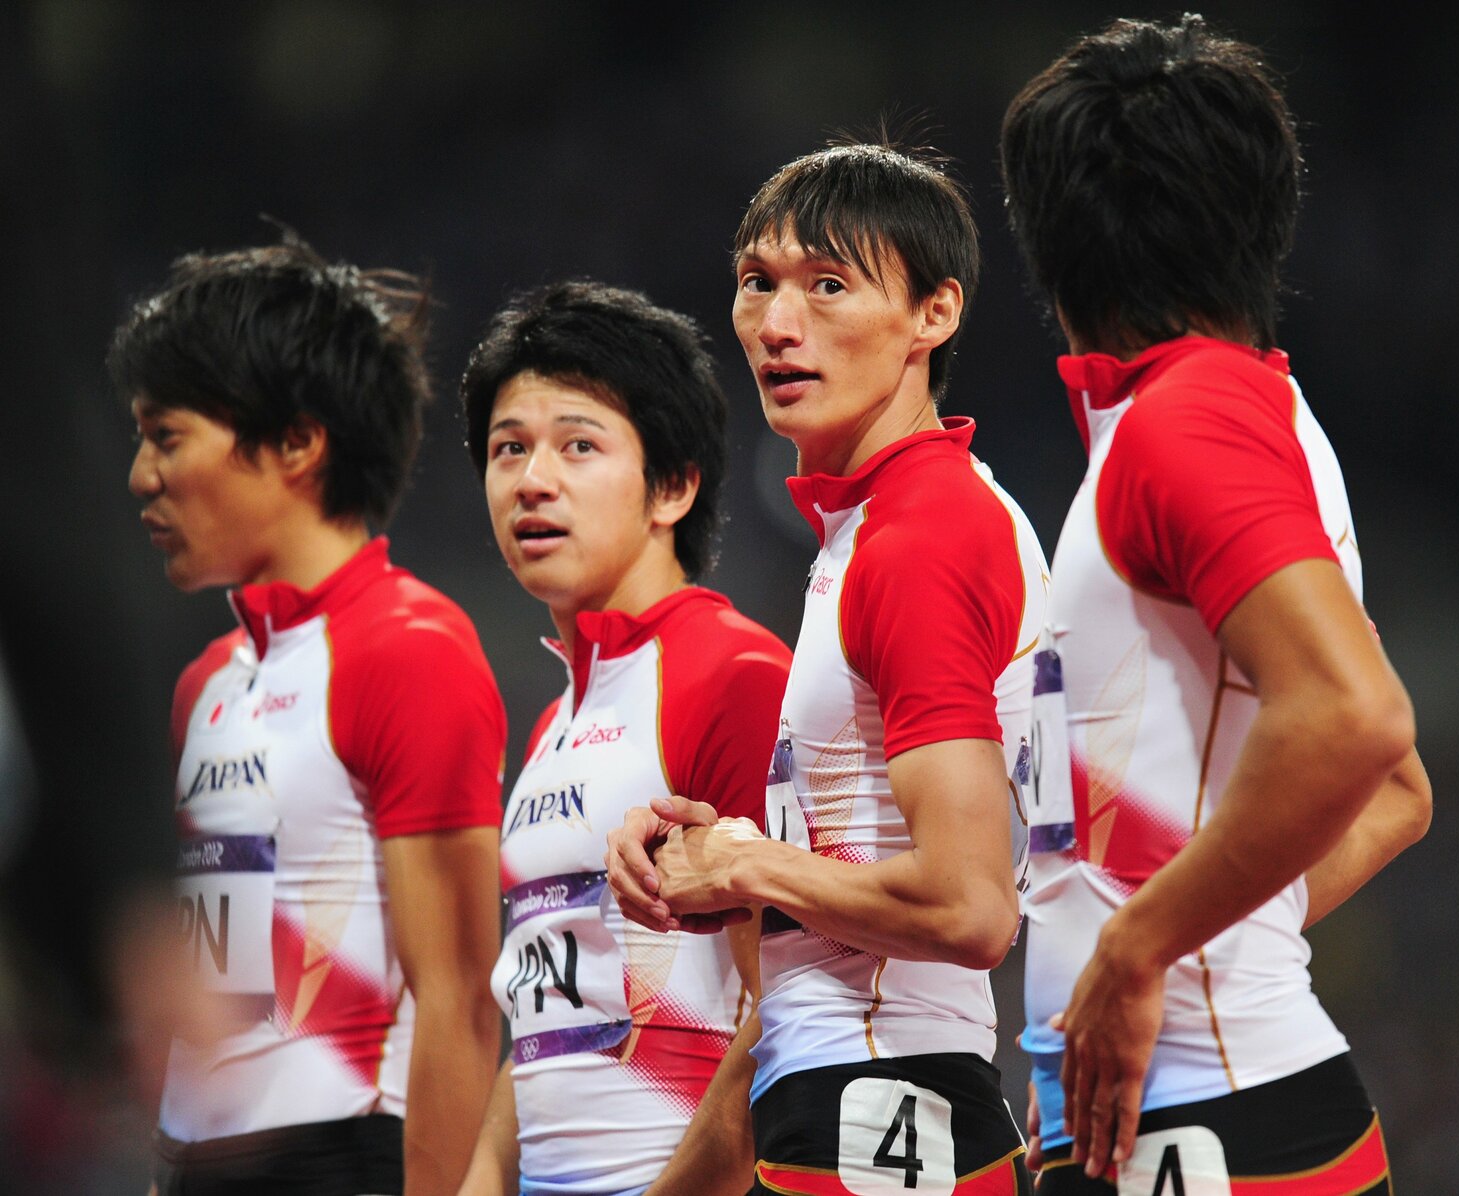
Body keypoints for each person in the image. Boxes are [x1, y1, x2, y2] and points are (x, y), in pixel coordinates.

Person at [998, 15, 1433, 1193]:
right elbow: (1394, 798)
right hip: (1202, 1113)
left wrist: (1146, 950)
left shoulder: (1187, 422)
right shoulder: (1254, 416)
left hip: (1209, 1131)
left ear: (1053, 242)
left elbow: (1359, 722)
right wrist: (1218, 939)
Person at [607, 142, 1049, 1195]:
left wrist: (748, 866)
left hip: (880, 1097)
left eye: (829, 284)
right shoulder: (882, 528)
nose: (776, 322)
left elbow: (972, 904)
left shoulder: (919, 535)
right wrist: (718, 852)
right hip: (863, 1091)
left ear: (933, 314)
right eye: (758, 282)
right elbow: (885, 858)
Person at [112, 238, 506, 1195]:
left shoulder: (409, 647)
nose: (140, 477)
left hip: (346, 1157)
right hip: (198, 1161)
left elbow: (457, 1003)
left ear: (297, 442)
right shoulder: (204, 682)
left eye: (167, 437)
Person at [453, 281, 791, 1196]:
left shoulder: (733, 675)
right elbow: (540, 1030)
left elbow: (794, 1011)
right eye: (508, 448)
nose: (532, 479)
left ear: (672, 486)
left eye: (578, 445)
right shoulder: (556, 722)